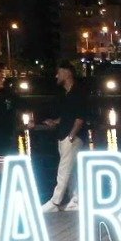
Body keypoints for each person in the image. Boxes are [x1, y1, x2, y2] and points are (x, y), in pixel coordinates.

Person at [39, 60, 88, 212]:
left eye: (59, 73)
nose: (57, 76)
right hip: (65, 134)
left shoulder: (78, 92)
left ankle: (55, 202)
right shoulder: (65, 94)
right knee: (72, 170)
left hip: (71, 136)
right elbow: (68, 116)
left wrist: (72, 135)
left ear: (67, 73)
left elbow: (80, 117)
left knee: (64, 169)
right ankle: (76, 199)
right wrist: (54, 122)